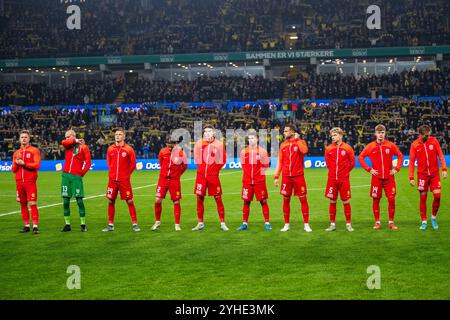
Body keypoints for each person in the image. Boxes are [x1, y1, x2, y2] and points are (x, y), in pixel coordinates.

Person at [358, 124, 403, 230]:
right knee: (376, 199)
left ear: (385, 133)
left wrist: (396, 169)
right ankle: (377, 222)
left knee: (391, 199)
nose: (380, 135)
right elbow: (360, 157)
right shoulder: (370, 146)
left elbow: (400, 156)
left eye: (382, 132)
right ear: (375, 134)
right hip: (376, 178)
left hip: (389, 178)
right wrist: (369, 169)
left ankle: (391, 222)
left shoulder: (390, 145)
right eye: (379, 133)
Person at [274, 124, 312, 232]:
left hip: (298, 176)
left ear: (292, 132)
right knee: (286, 200)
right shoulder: (283, 145)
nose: (284, 133)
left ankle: (306, 224)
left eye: (286, 131)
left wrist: (297, 139)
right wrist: (277, 176)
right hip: (286, 177)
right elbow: (280, 162)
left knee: (303, 199)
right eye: (284, 131)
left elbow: (304, 151)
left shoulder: (300, 142)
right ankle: (286, 224)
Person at [408, 125, 447, 230]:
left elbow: (440, 155)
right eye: (426, 135)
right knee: (423, 198)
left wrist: (444, 169)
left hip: (434, 174)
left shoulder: (434, 141)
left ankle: (433, 218)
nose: (428, 137)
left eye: (429, 135)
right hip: (422, 175)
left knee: (438, 196)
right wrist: (411, 177)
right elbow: (411, 162)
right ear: (420, 135)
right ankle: (424, 221)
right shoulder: (415, 145)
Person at [192, 125, 229, 231]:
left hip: (213, 176)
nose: (207, 133)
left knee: (218, 198)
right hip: (201, 176)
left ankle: (222, 223)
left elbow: (223, 160)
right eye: (206, 131)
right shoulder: (199, 143)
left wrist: (215, 170)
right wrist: (202, 169)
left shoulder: (219, 144)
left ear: (213, 133)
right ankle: (200, 223)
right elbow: (196, 158)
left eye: (209, 131)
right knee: (199, 198)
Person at [103, 128, 139, 232]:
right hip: (112, 180)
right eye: (116, 134)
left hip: (124, 180)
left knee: (130, 201)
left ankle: (135, 224)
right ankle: (110, 225)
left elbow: (133, 164)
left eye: (120, 134)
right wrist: (112, 173)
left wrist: (126, 175)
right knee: (110, 201)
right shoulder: (110, 149)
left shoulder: (128, 149)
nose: (117, 136)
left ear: (124, 136)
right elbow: (109, 162)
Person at [238, 130, 272, 231]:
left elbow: (266, 165)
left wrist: (257, 175)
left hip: (259, 181)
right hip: (247, 182)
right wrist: (249, 176)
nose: (251, 140)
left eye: (252, 138)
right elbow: (243, 166)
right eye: (249, 138)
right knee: (246, 202)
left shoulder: (262, 151)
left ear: (257, 139)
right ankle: (245, 223)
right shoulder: (244, 151)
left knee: (263, 201)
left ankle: (267, 223)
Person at [152, 138, 187, 231]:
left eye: (171, 144)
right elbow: (161, 163)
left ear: (175, 144)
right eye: (168, 144)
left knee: (176, 201)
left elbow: (184, 166)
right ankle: (157, 222)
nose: (169, 146)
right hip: (163, 180)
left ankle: (177, 224)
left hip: (174, 181)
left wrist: (177, 175)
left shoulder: (180, 153)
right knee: (157, 200)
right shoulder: (162, 152)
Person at [324, 127, 356, 232]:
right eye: (332, 135)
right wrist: (334, 172)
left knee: (346, 201)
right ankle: (332, 224)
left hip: (344, 179)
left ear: (341, 135)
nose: (333, 137)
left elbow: (352, 163)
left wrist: (344, 172)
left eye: (335, 135)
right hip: (332, 179)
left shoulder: (348, 148)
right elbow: (328, 163)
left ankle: (348, 224)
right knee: (332, 201)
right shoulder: (328, 148)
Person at [60, 130, 91, 232]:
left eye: (67, 136)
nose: (66, 138)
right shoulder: (67, 145)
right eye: (66, 137)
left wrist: (81, 173)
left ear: (73, 135)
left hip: (76, 176)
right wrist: (75, 140)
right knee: (65, 201)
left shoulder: (84, 147)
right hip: (65, 176)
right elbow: (64, 142)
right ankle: (67, 224)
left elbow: (88, 163)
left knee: (79, 201)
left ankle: (83, 224)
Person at [11, 130, 41, 234]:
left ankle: (35, 226)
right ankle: (26, 225)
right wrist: (16, 162)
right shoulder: (16, 153)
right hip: (19, 183)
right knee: (23, 204)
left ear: (29, 139)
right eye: (22, 137)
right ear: (19, 139)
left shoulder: (34, 150)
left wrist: (24, 163)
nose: (23, 139)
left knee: (32, 203)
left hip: (30, 182)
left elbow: (36, 165)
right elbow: (13, 170)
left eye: (25, 137)